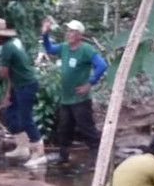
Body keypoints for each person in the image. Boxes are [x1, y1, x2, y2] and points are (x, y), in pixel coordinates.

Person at [0, 17, 47, 167]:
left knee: (26, 118)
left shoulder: (8, 48)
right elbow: (12, 74)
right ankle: (22, 147)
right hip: (19, 84)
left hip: (27, 85)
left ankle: (39, 153)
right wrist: (9, 93)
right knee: (10, 113)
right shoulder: (13, 43)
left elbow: (3, 73)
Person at [40, 16, 107, 166]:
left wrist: (89, 84)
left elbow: (101, 65)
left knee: (86, 128)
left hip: (80, 99)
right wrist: (45, 34)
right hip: (66, 98)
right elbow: (50, 49)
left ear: (79, 35)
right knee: (64, 128)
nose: (68, 34)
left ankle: (98, 158)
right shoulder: (64, 47)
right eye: (68, 31)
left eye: (72, 31)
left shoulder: (86, 50)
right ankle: (63, 156)